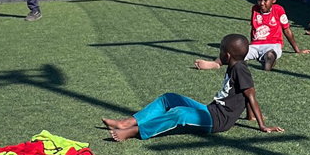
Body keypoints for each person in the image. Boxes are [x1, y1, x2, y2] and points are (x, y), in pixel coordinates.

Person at [105, 34, 283, 141]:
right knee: (169, 98)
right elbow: (243, 95)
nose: (219, 53)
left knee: (180, 114)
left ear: (227, 55)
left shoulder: (240, 69)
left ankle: (135, 131)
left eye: (221, 50)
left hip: (217, 121)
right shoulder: (233, 65)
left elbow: (250, 95)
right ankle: (127, 122)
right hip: (210, 109)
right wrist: (248, 116)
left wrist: (262, 125)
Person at [195, 0, 310, 72]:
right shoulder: (254, 9)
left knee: (271, 53)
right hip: (255, 45)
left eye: (265, 0)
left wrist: (297, 50)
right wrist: (249, 45)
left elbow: (287, 31)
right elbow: (253, 29)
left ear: (273, 0)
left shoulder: (279, 10)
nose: (262, 3)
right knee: (234, 53)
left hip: (273, 44)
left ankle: (269, 61)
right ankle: (215, 63)